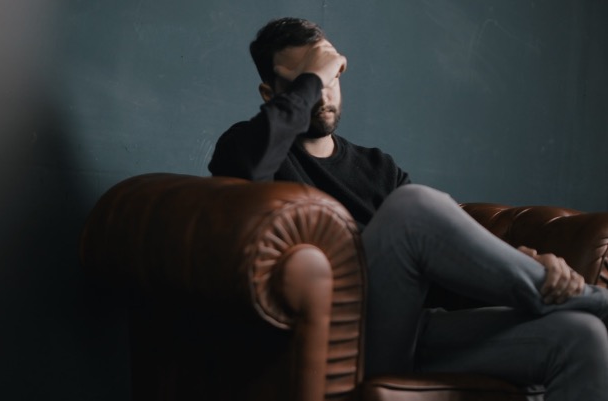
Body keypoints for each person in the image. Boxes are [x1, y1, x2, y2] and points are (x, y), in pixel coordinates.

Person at [209, 17, 608, 400]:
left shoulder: (377, 167)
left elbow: (439, 269)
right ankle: (592, 300)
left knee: (581, 336)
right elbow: (246, 171)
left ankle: (568, 299)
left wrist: (520, 264)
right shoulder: (247, 148)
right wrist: (314, 76)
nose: (323, 94)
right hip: (340, 340)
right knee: (412, 206)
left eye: (331, 77)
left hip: (410, 332)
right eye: (307, 81)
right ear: (270, 94)